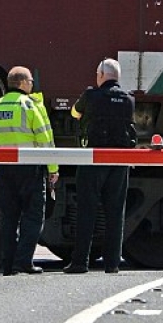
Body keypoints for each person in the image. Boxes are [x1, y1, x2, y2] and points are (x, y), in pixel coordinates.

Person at [0, 66, 59, 276]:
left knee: (8, 217)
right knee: (34, 216)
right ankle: (24, 261)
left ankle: (8, 264)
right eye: (31, 82)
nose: (32, 85)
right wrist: (53, 168)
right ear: (24, 83)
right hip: (29, 169)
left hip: (4, 170)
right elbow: (44, 138)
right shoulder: (30, 106)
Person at [64, 58, 136, 274]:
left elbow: (75, 113)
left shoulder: (91, 95)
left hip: (93, 158)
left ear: (101, 75)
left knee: (87, 209)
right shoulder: (129, 99)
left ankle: (80, 262)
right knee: (115, 212)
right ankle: (112, 263)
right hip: (119, 160)